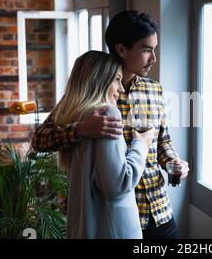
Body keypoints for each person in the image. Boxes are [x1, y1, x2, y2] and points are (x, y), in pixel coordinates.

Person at [32, 11, 189, 239]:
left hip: (160, 214)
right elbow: (40, 139)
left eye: (154, 49)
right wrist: (80, 129)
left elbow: (161, 143)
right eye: (146, 49)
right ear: (122, 49)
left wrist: (174, 162)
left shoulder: (154, 89)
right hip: (115, 221)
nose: (154, 58)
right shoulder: (91, 92)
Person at [52, 50, 155, 239]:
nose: (121, 89)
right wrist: (141, 145)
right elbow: (117, 185)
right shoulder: (107, 114)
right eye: (116, 79)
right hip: (113, 230)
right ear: (99, 81)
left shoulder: (73, 116)